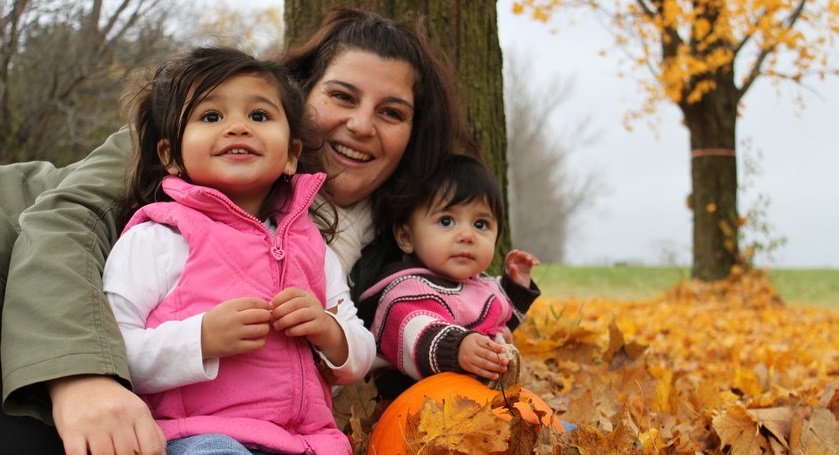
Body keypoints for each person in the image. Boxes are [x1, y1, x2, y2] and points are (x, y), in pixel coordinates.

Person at [0, 8, 478, 455]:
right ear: (299, 96)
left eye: (391, 113)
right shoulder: (193, 143)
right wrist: (81, 375)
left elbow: (365, 339)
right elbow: (62, 228)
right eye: (341, 96)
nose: (359, 125)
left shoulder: (399, 238)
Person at [103, 46, 374, 454]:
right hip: (199, 436)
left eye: (259, 115)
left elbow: (360, 354)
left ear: (291, 155)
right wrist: (201, 339)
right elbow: (114, 352)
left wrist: (327, 330)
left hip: (307, 441)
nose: (238, 128)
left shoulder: (310, 245)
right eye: (211, 116)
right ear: (171, 156)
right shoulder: (158, 238)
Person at [360, 154, 541, 399]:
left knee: (541, 418)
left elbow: (498, 319)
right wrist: (457, 349)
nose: (467, 235)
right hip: (418, 412)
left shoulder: (479, 285)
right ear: (406, 237)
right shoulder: (405, 291)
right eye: (446, 221)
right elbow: (415, 332)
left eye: (480, 224)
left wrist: (516, 287)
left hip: (477, 405)